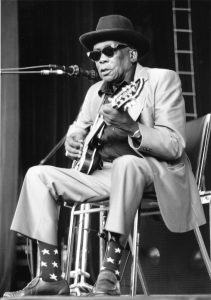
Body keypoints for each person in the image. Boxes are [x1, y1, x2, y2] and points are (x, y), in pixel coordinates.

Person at [4, 14, 206, 297]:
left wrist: (131, 126)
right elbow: (77, 129)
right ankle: (51, 277)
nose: (100, 59)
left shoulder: (162, 80)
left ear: (131, 54)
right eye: (95, 54)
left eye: (109, 51)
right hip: (105, 175)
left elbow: (174, 145)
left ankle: (108, 275)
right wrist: (73, 141)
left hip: (154, 173)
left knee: (126, 164)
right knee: (37, 175)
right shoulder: (94, 93)